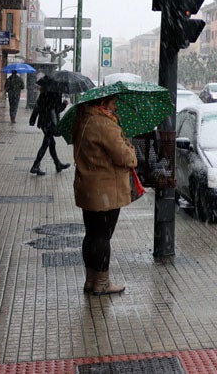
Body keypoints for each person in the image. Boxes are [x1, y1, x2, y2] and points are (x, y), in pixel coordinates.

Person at [72, 94, 137, 295]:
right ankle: (102, 282)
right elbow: (124, 156)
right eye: (112, 102)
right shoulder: (103, 124)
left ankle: (91, 280)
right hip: (105, 190)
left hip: (89, 187)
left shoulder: (83, 120)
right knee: (102, 237)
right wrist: (131, 150)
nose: (115, 106)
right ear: (102, 103)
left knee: (92, 235)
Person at [28, 81, 69, 175]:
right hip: (50, 122)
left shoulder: (44, 93)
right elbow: (57, 109)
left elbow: (37, 107)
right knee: (46, 144)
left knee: (51, 143)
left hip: (43, 121)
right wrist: (64, 104)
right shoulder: (56, 94)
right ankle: (35, 165)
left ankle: (57, 164)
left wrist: (33, 120)